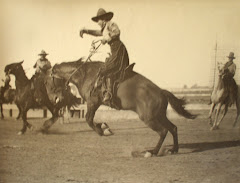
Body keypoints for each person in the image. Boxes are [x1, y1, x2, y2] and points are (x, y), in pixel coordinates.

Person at [79, 8, 129, 103]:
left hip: (118, 49)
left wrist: (106, 39)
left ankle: (109, 93)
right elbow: (98, 33)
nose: (98, 23)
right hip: (115, 50)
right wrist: (86, 31)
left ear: (104, 19)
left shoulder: (111, 24)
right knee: (106, 69)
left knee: (106, 68)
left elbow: (117, 32)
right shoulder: (104, 28)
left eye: (99, 20)